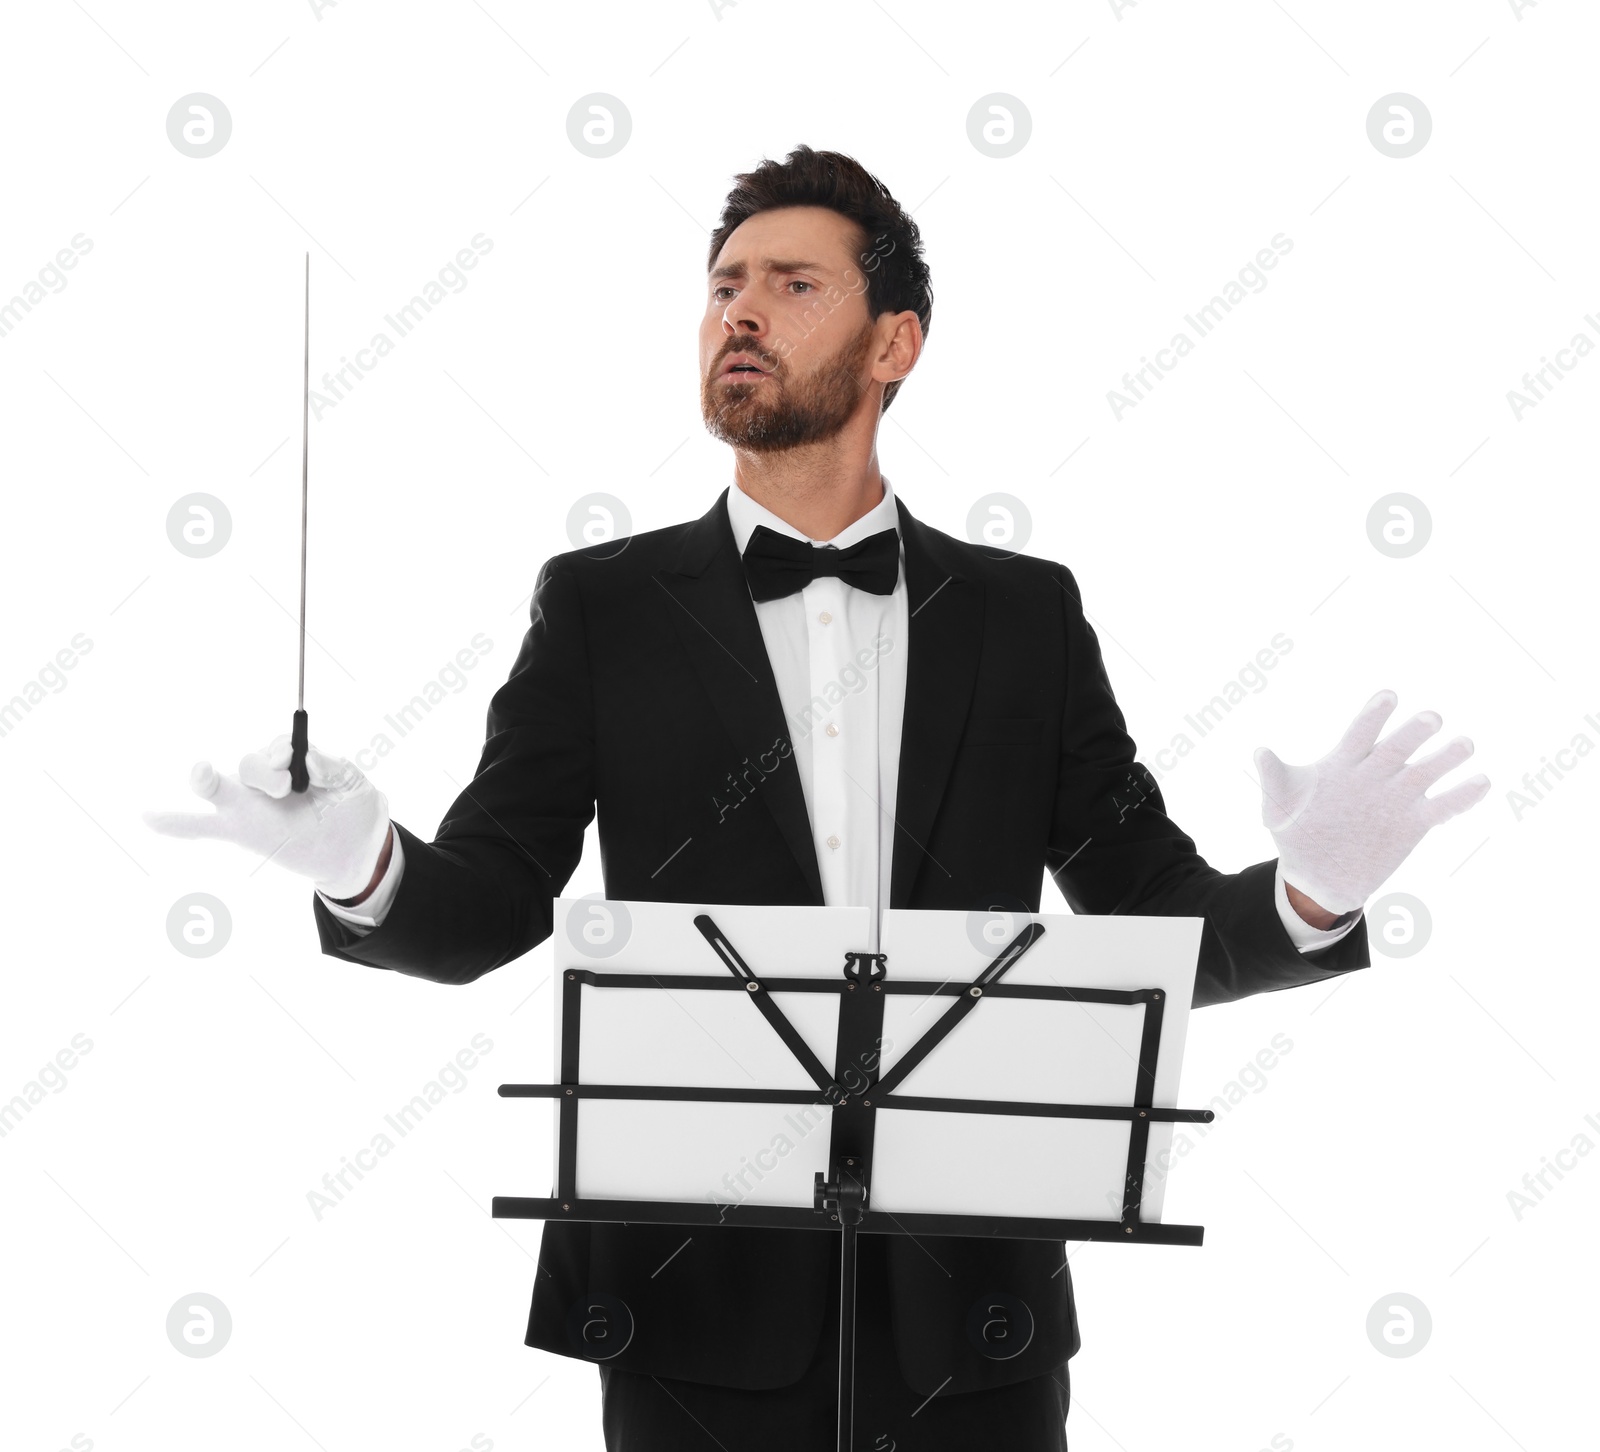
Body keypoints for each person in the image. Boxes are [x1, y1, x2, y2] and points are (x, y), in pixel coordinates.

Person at [146, 145, 1489, 1451]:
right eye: (726, 282)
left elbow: (1147, 914)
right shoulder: (604, 606)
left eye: (793, 285)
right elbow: (491, 906)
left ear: (894, 344)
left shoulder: (1024, 617)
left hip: (976, 1322)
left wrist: (1315, 892)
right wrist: (361, 861)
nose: (740, 308)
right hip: (692, 1307)